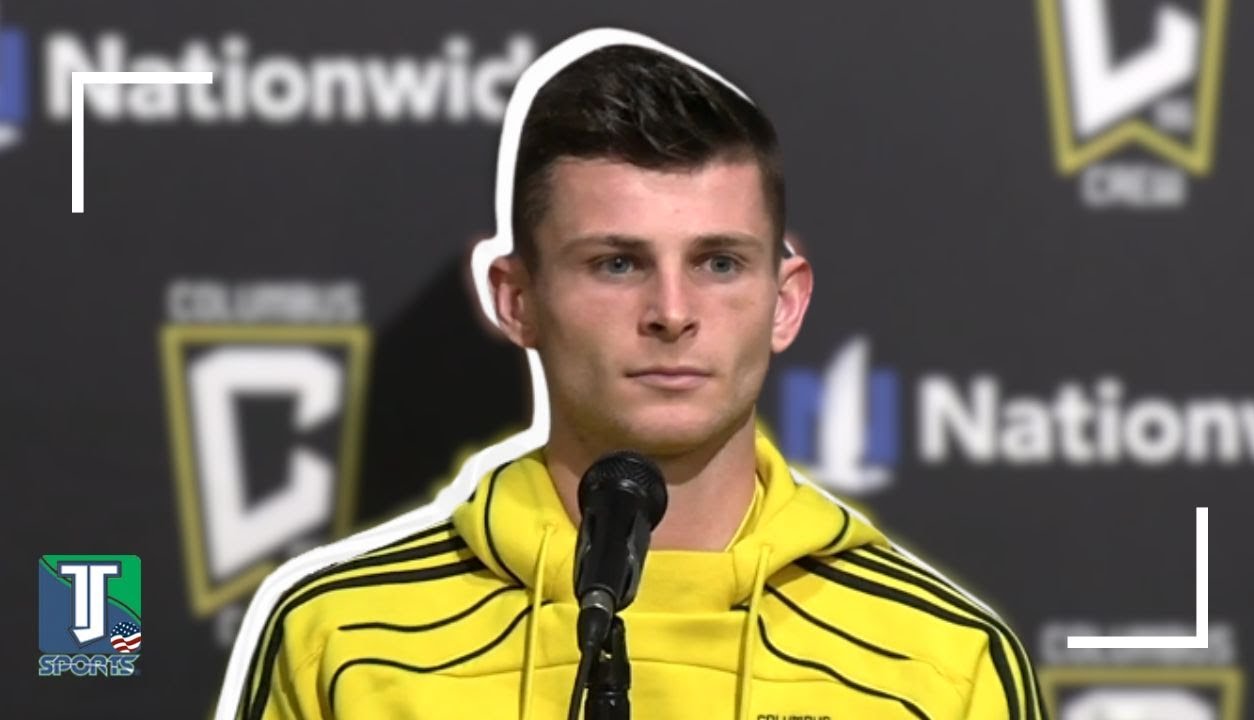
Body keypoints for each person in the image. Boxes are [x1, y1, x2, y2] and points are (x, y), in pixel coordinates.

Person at [218, 30, 1044, 720]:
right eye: (617, 264)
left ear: (785, 302)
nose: (672, 312)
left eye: (719, 263)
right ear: (516, 299)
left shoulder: (942, 662)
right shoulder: (341, 640)